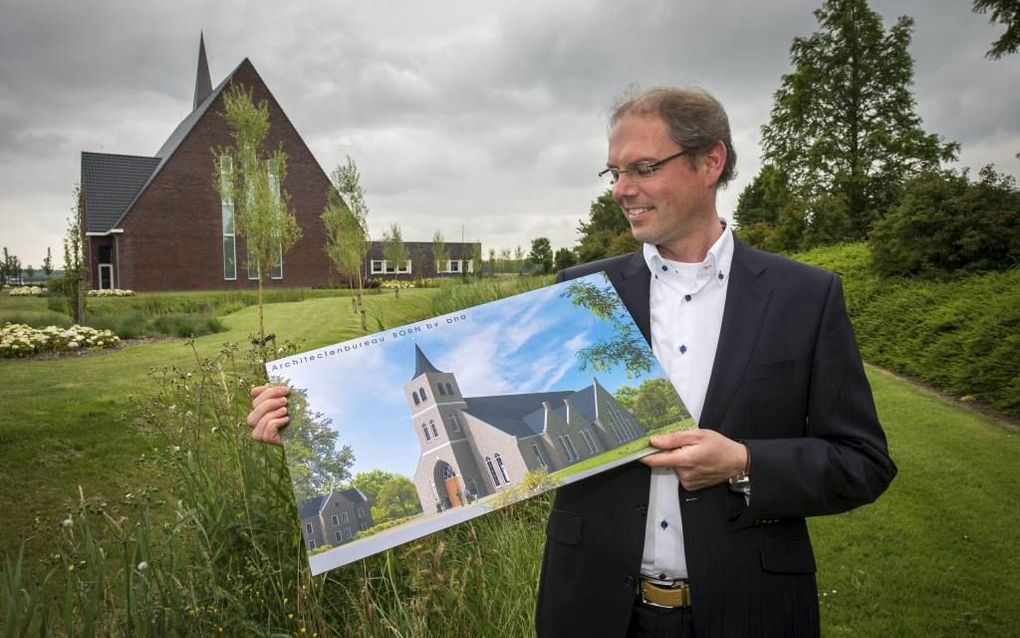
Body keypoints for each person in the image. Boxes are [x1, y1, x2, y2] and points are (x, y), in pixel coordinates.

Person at [247, 85, 897, 638]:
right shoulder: (584, 295)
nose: (621, 189)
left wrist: (746, 463)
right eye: (613, 172)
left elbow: (862, 462)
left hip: (751, 611)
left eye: (642, 168)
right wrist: (304, 415)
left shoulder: (806, 297)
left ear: (710, 162)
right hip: (590, 610)